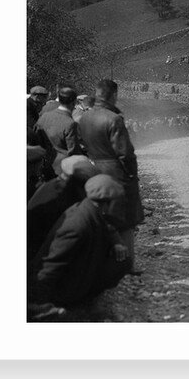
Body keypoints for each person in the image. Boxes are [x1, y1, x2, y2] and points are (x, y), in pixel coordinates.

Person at [29, 175, 130, 313]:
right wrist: (39, 303)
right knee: (120, 263)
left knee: (121, 260)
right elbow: (50, 265)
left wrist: (117, 243)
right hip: (63, 289)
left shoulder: (87, 208)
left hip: (77, 271)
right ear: (106, 202)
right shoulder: (77, 225)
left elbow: (106, 225)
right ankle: (78, 301)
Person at [77, 79, 142, 272]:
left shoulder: (85, 118)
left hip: (93, 168)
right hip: (115, 171)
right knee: (126, 218)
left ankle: (103, 259)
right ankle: (127, 263)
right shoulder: (114, 119)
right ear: (114, 95)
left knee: (100, 213)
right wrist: (131, 175)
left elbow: (81, 145)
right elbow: (125, 153)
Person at [34, 87, 82, 176]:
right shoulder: (70, 123)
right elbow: (73, 151)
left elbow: (36, 138)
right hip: (62, 169)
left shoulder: (45, 116)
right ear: (74, 102)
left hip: (44, 166)